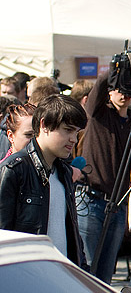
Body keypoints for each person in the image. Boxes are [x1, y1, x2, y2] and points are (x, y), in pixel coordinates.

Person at [77, 70, 131, 284]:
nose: (123, 94)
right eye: (118, 89)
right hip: (91, 201)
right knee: (88, 271)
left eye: (128, 90)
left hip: (117, 205)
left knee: (105, 274)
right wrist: (124, 65)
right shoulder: (98, 113)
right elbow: (98, 85)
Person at [0, 95, 87, 267]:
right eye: (68, 130)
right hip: (27, 278)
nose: (74, 139)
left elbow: (72, 235)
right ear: (44, 125)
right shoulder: (14, 169)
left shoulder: (64, 172)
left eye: (76, 132)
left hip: (62, 275)